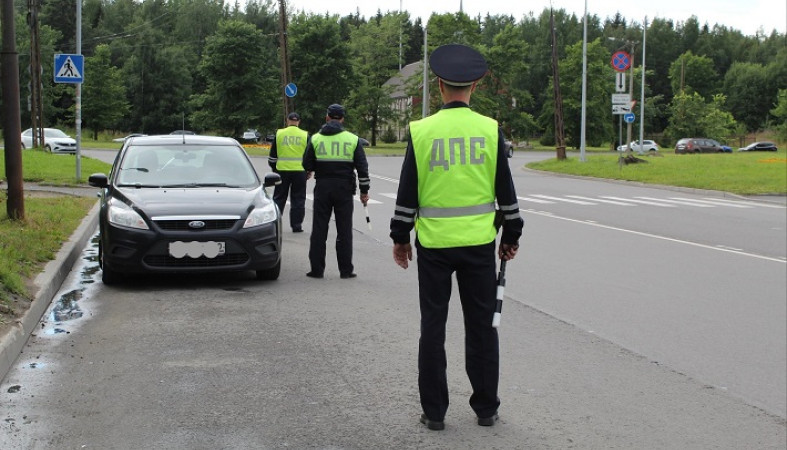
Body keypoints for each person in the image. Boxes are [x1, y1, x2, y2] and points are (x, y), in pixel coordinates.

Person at [389, 44, 523, 431]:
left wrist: (400, 238)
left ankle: (434, 413)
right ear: (476, 86)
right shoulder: (490, 130)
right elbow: (506, 192)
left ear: (439, 85)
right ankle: (486, 408)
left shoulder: (421, 131)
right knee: (481, 328)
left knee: (433, 328)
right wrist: (511, 235)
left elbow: (407, 194)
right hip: (480, 245)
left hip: (433, 247)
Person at [302, 104, 370, 279]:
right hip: (344, 189)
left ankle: (317, 270)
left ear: (327, 118)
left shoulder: (316, 138)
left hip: (323, 187)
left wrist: (312, 169)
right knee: (344, 230)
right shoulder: (353, 139)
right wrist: (364, 191)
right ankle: (346, 270)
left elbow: (306, 164)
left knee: (319, 229)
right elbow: (362, 168)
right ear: (342, 119)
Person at [268, 112, 309, 232]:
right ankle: (297, 226)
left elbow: (272, 157)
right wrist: (308, 170)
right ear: (299, 122)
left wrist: (275, 169)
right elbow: (308, 156)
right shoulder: (305, 135)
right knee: (298, 199)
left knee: (279, 198)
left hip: (282, 170)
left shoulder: (280, 133)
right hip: (300, 171)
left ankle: (275, 225)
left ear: (287, 121)